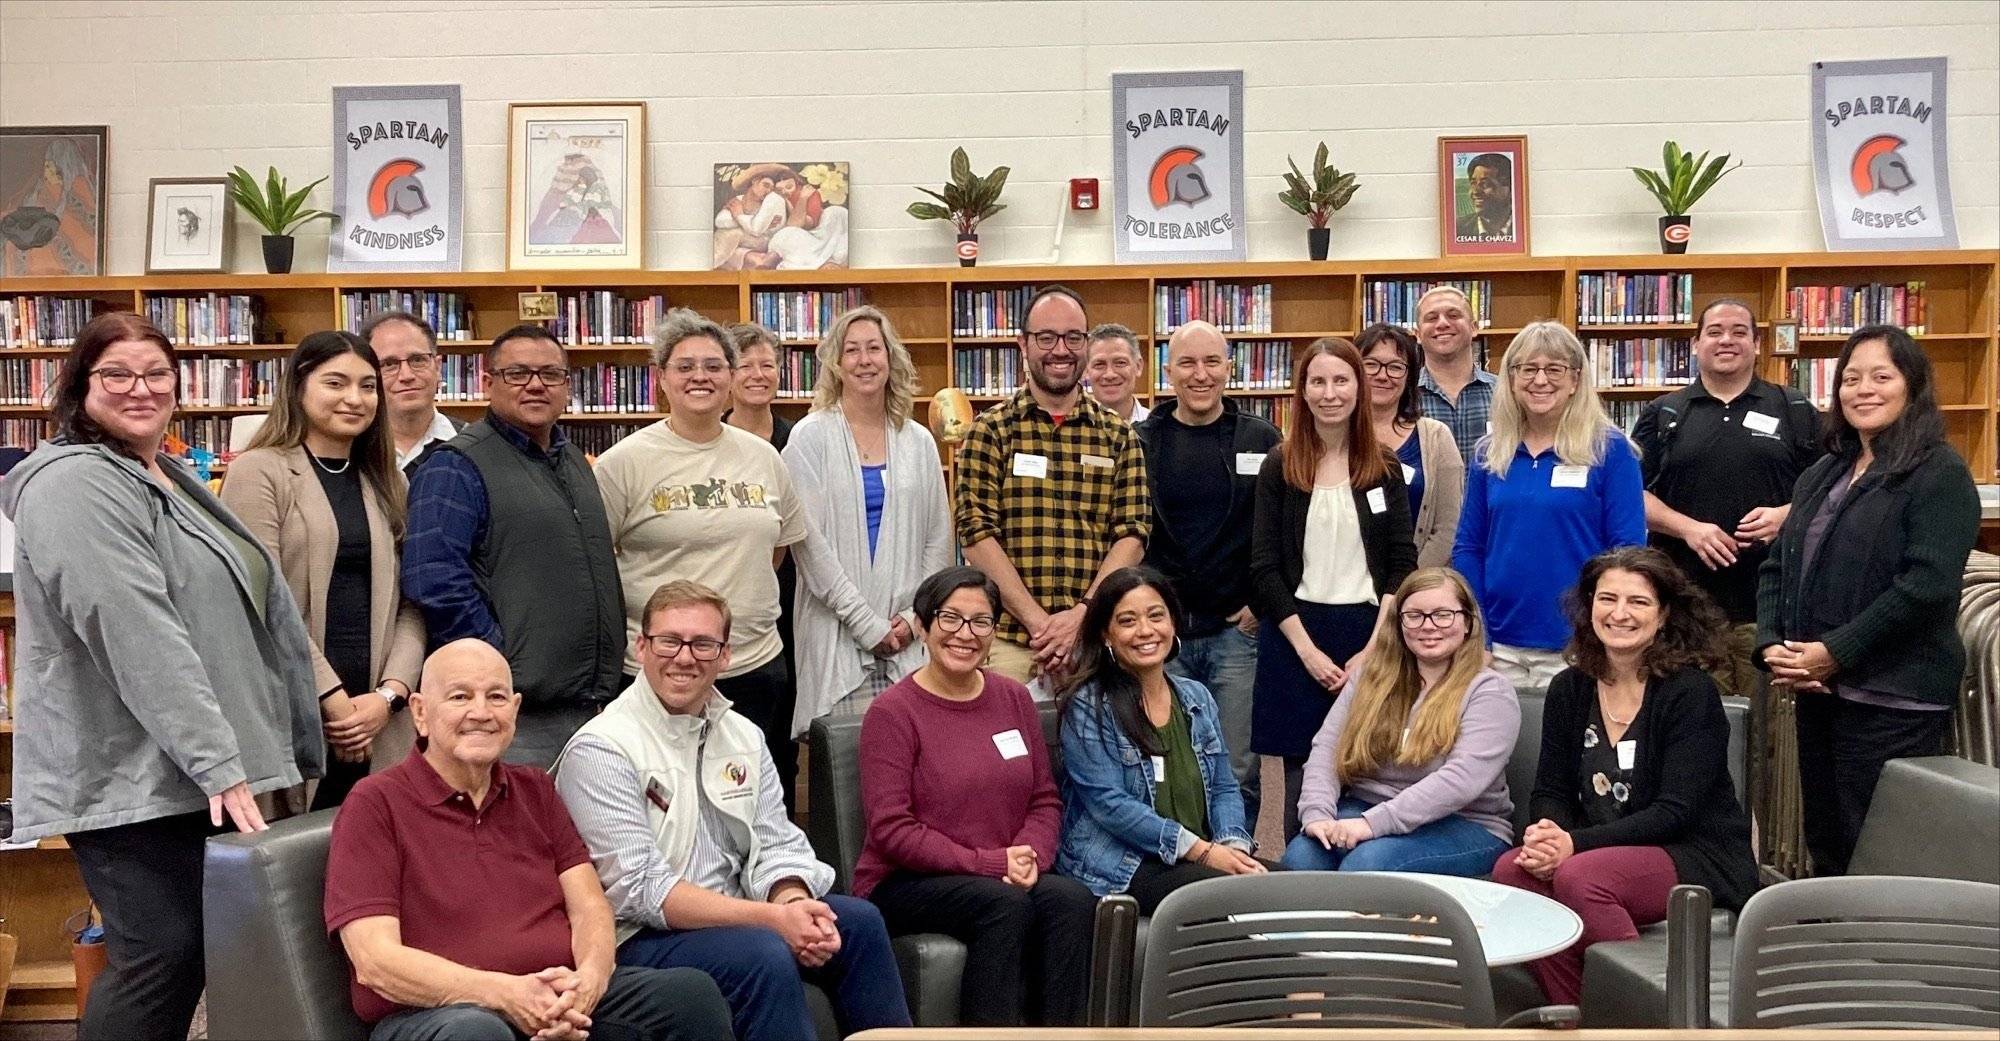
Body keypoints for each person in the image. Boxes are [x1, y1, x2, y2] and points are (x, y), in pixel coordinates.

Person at [1, 312, 322, 1041]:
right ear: (80, 386)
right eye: (116, 374)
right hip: (128, 774)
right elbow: (136, 632)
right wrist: (219, 761)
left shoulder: (165, 475)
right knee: (161, 955)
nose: (139, 389)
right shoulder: (74, 483)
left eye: (156, 373)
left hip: (183, 767)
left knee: (188, 952)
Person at [555, 580, 912, 1041]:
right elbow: (641, 891)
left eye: (704, 644)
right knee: (761, 952)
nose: (685, 657)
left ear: (725, 656)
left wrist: (793, 902)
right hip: (637, 938)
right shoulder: (601, 748)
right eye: (669, 641)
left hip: (742, 913)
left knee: (855, 924)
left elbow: (777, 841)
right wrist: (771, 920)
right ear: (641, 648)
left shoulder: (744, 735)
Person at [325, 639, 735, 1041]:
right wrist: (505, 994)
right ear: (420, 712)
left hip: (555, 997)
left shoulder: (535, 789)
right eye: (460, 697)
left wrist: (588, 983)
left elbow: (591, 907)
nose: (481, 712)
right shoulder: (375, 803)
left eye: (497, 697)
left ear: (516, 710)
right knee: (476, 1032)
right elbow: (375, 961)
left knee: (689, 995)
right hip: (437, 1014)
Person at [1756, 325, 1980, 877]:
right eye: (1851, 378)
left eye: (1882, 376)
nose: (1864, 390)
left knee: (1879, 849)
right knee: (1826, 837)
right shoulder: (1824, 471)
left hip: (1893, 698)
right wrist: (1772, 647)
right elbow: (1777, 565)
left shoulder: (1940, 474)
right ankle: (1832, 953)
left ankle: (1881, 960)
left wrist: (1836, 650)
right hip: (1818, 689)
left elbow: (1924, 588)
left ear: (1913, 386)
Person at [1493, 547, 1759, 1006]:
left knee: (1582, 878)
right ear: (1589, 606)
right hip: (1593, 847)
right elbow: (1551, 789)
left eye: (1637, 602)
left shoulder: (1689, 692)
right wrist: (1547, 833)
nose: (1619, 613)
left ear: (1664, 615)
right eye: (1607, 598)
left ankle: (1640, 1016)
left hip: (1694, 851)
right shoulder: (1569, 687)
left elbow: (1675, 812)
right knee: (1512, 871)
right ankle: (1576, 1015)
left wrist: (1574, 845)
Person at [856, 567, 1094, 1027]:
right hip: (905, 881)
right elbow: (891, 829)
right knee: (1001, 905)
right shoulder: (892, 713)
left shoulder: (1013, 698)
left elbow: (1044, 799)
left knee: (1070, 900)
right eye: (950, 619)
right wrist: (989, 863)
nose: (965, 634)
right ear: (923, 628)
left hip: (1002, 869)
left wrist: (1029, 858)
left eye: (980, 622)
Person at [595, 309, 812, 807]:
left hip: (754, 665)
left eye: (714, 366)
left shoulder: (764, 458)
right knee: (665, 804)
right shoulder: (623, 463)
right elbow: (596, 562)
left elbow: (776, 549)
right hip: (661, 670)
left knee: (755, 802)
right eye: (685, 366)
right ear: (661, 380)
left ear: (731, 378)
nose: (700, 377)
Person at [402, 323, 623, 768]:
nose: (536, 385)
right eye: (517, 373)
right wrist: (497, 661)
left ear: (567, 386)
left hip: (590, 705)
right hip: (517, 717)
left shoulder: (574, 462)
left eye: (550, 374)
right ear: (488, 384)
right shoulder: (456, 466)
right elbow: (433, 580)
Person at [221, 331, 425, 809]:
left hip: (379, 721)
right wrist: (332, 700)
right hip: (299, 713)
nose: (355, 399)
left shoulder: (389, 480)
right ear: (298, 387)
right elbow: (259, 599)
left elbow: (413, 601)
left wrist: (390, 696)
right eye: (336, 383)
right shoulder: (260, 471)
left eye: (368, 386)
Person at [1250, 337, 1417, 840]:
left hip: (1369, 635)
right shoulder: (1280, 465)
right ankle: (1299, 877)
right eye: (1317, 381)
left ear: (1359, 388)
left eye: (1341, 380)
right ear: (1301, 392)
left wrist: (1375, 647)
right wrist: (1307, 653)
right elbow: (1263, 568)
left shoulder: (1383, 466)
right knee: (1303, 773)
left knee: (1369, 763)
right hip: (1295, 636)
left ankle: (1360, 878)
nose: (1329, 393)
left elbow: (1400, 563)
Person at [954, 285, 1151, 692]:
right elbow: (976, 534)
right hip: (1010, 643)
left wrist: (1080, 618)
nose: (1060, 349)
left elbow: (1132, 534)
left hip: (1097, 643)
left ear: (1085, 343)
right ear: (1023, 344)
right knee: (1007, 754)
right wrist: (1042, 625)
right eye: (1046, 337)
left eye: (1073, 337)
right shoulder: (989, 432)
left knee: (1103, 754)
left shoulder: (1119, 437)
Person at [1632, 300, 1822, 696]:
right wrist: (1688, 529)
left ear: (1756, 343)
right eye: (1715, 331)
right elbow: (1632, 494)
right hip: (1687, 609)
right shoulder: (1664, 412)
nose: (1726, 340)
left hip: (1773, 610)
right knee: (1694, 726)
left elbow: (1834, 488)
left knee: (1773, 735)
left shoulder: (1795, 408)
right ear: (1696, 343)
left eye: (1739, 331)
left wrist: (1788, 514)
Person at [1136, 319, 1282, 825]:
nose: (1201, 374)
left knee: (1237, 763)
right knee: (1166, 758)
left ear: (1229, 367)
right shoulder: (1140, 441)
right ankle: (1183, 859)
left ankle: (1236, 855)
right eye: (1188, 363)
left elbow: (1285, 530)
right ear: (1167, 370)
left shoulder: (1262, 439)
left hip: (1234, 635)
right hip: (1161, 636)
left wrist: (1260, 606)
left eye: (1212, 362)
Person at [783, 306, 954, 731]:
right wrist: (866, 624)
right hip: (836, 634)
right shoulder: (810, 437)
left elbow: (938, 538)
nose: (864, 360)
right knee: (845, 779)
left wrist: (916, 618)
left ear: (890, 358)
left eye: (874, 349)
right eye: (852, 350)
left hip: (908, 639)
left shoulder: (917, 441)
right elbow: (809, 545)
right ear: (836, 365)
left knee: (912, 772)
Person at [1056, 566, 1265, 913]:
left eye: (1157, 616)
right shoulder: (1088, 705)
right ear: (1106, 635)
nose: (1146, 631)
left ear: (1173, 624)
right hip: (1120, 865)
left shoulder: (1195, 695)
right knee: (1239, 900)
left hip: (1197, 857)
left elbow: (1226, 787)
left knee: (1294, 890)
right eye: (1127, 621)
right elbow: (1111, 804)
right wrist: (1204, 852)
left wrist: (1233, 847)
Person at [1282, 567, 1518, 875]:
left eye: (1443, 614)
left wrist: (1373, 824)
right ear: (1399, 622)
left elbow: (1460, 781)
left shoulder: (1490, 692)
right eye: (1415, 615)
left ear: (1467, 622)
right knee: (1302, 858)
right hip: (1363, 807)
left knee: (1366, 866)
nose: (1428, 626)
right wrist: (1317, 815)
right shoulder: (1369, 679)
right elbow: (1327, 749)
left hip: (1466, 823)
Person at [1454, 321, 1646, 689]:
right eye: (1528, 368)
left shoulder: (1610, 450)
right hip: (1497, 647)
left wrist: (1599, 631)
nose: (1540, 380)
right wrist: (1478, 631)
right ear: (1511, 379)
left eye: (1554, 369)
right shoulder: (1489, 454)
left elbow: (1628, 552)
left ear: (1575, 380)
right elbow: (1468, 547)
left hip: (1576, 645)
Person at [1359, 322, 1465, 568]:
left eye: (1396, 367)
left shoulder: (1436, 437)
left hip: (1415, 589)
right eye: (1371, 365)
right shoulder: (1335, 436)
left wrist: (1406, 587)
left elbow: (1447, 528)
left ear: (1410, 378)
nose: (1383, 375)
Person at [359, 310, 462, 476]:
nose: (406, 376)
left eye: (417, 360)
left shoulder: (472, 444)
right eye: (389, 364)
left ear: (437, 367)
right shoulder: (351, 449)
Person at [1414, 285, 1497, 463]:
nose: (1442, 323)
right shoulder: (1403, 397)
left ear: (1474, 328)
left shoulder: (1505, 392)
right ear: (1418, 335)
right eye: (1431, 318)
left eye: (1453, 315)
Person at [723, 322, 794, 448]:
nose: (758, 375)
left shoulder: (795, 438)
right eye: (745, 366)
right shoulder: (710, 438)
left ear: (778, 374)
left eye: (767, 366)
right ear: (728, 375)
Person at [1084, 322, 1150, 423]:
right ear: (1086, 371)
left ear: (1138, 366)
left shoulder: (1161, 429)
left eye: (1120, 363)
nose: (1110, 375)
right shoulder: (1072, 430)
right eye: (1099, 364)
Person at [1455, 153, 1514, 241]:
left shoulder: (1523, 227)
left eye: (1485, 184)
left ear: (1509, 188)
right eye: (1473, 183)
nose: (1475, 191)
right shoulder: (1458, 228)